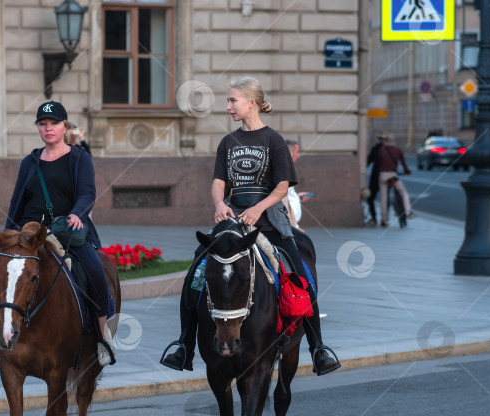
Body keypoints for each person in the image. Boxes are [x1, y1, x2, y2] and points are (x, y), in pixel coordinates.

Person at [159, 77, 339, 376]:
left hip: (269, 221)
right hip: (232, 221)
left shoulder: (274, 140)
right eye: (228, 101)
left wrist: (258, 208)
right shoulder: (228, 142)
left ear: (251, 103)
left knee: (301, 275)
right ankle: (184, 345)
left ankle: (318, 347)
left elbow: (282, 186)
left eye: (233, 100)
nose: (227, 106)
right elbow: (218, 183)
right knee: (196, 271)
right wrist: (219, 205)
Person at [0, 101, 114, 365]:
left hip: (65, 229)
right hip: (26, 232)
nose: (48, 129)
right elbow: (17, 201)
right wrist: (8, 234)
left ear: (65, 127)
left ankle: (103, 337)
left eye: (54, 124)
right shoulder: (31, 161)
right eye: (43, 124)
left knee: (94, 268)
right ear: (38, 128)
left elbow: (87, 193)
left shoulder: (79, 158)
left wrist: (76, 214)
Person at [375, 132, 415, 227]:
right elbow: (403, 164)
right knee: (403, 192)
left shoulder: (381, 151)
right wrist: (407, 171)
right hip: (393, 176)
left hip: (383, 175)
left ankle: (384, 219)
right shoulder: (398, 150)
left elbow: (378, 164)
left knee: (384, 197)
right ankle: (408, 211)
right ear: (393, 141)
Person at [282, 139, 315, 232]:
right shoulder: (284, 171)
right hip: (289, 227)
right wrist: (294, 226)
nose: (299, 155)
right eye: (297, 151)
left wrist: (297, 197)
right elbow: (282, 201)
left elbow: (286, 195)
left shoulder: (286, 169)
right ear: (291, 153)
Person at [365, 134, 383, 225]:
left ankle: (374, 218)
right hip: (390, 176)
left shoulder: (376, 148)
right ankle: (382, 219)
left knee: (371, 197)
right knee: (384, 197)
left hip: (376, 176)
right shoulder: (392, 149)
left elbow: (368, 161)